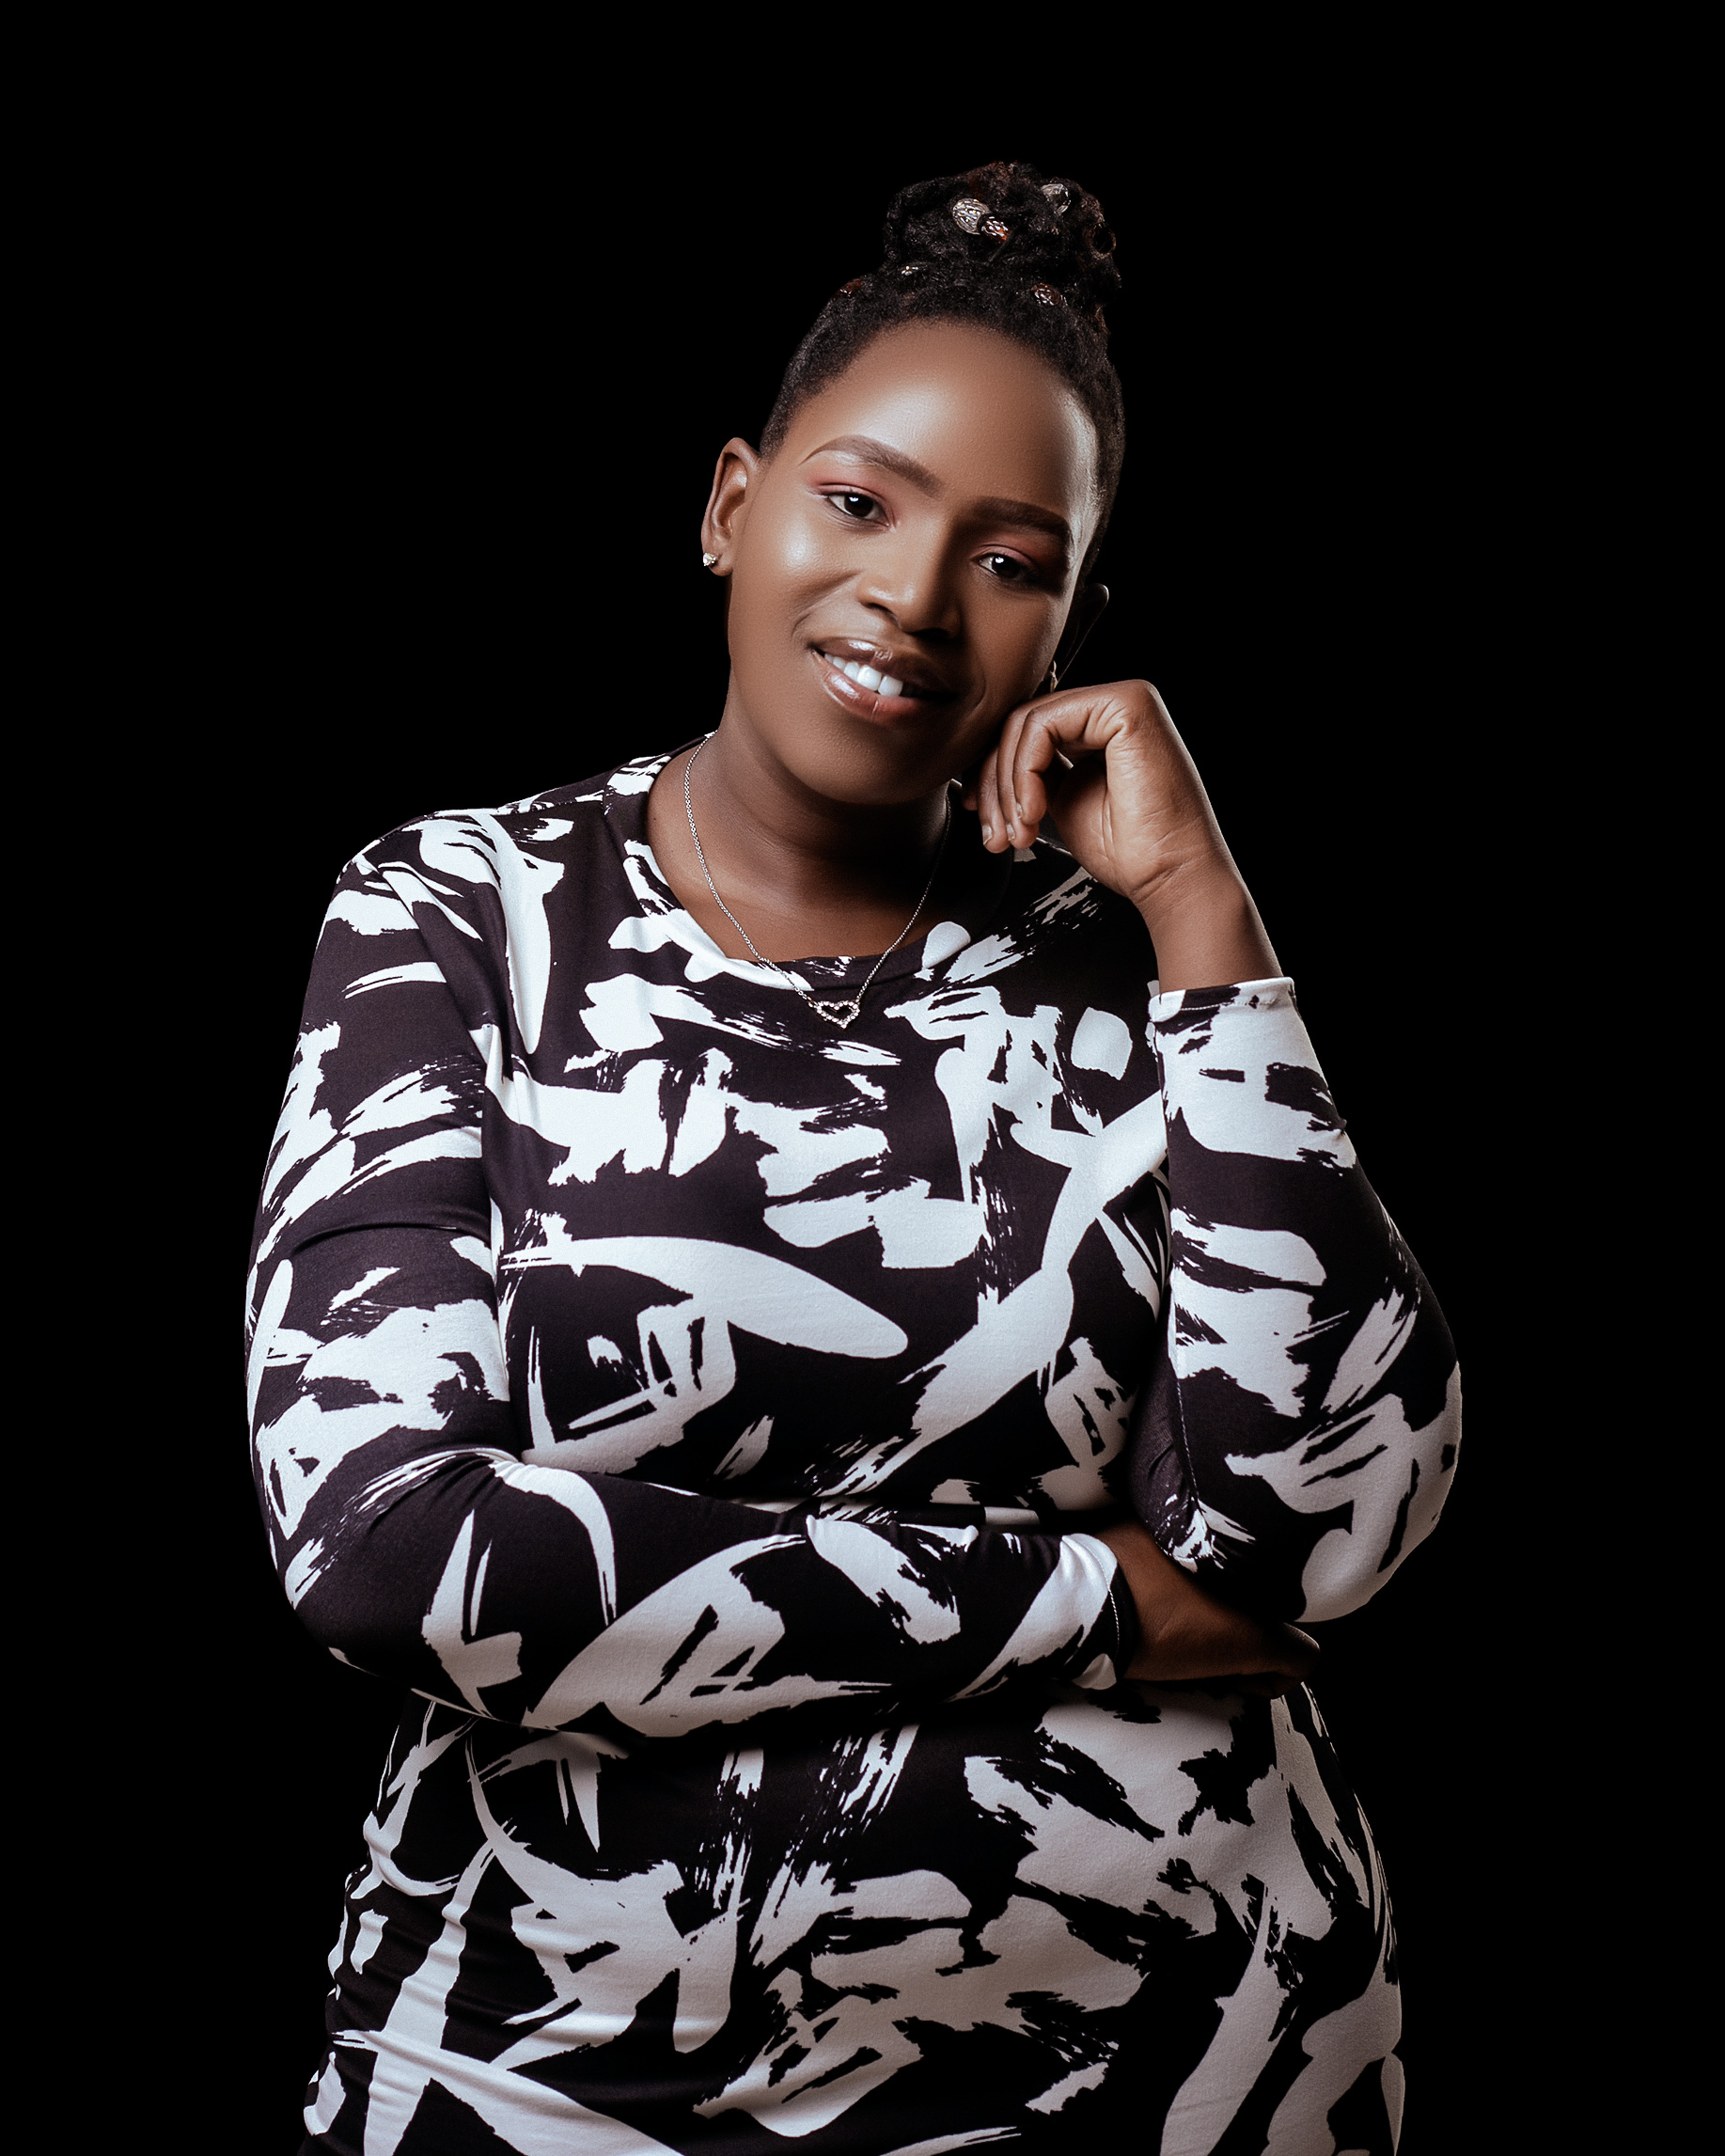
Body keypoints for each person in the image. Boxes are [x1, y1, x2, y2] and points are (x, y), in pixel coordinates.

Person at [249, 161, 1460, 2156]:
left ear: (1072, 621)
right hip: (568, 2074)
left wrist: (1203, 910)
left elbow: (1324, 1530)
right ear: (731, 505)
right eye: (860, 502)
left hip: (1194, 2061)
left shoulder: (1134, 971)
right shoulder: (462, 913)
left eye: (1013, 556)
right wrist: (1095, 1604)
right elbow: (388, 1543)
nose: (913, 596)